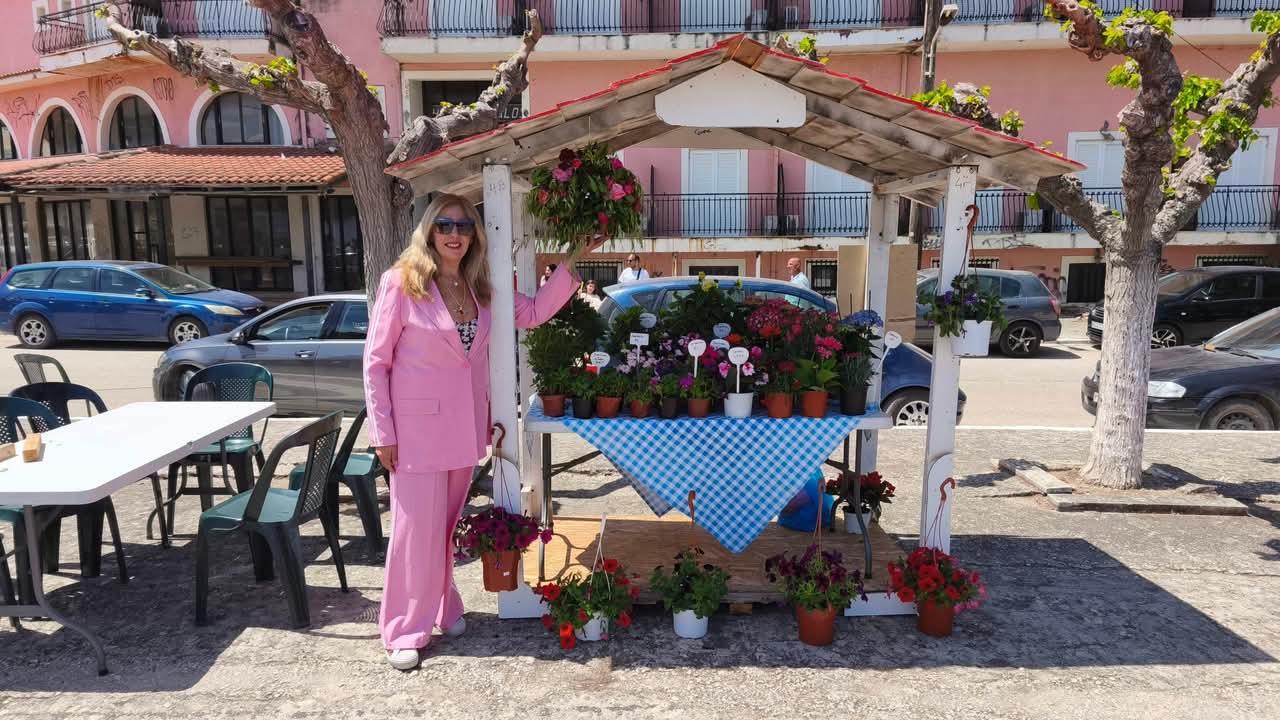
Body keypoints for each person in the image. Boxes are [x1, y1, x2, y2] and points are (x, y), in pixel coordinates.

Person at [363, 193, 602, 671]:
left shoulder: (481, 287)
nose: (454, 234)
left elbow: (533, 313)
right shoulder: (401, 283)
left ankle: (443, 607)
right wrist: (382, 431)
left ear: (474, 235)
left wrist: (573, 259)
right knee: (414, 534)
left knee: (444, 529)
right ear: (429, 231)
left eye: (464, 226)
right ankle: (403, 629)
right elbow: (375, 362)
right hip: (413, 435)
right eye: (445, 225)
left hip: (464, 428)